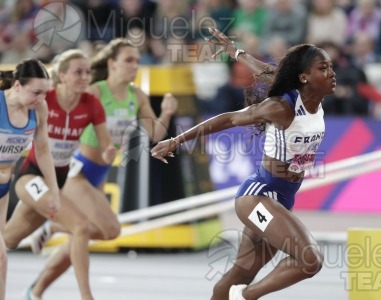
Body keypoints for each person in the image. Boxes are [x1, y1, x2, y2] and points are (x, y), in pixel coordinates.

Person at [152, 28, 335, 299]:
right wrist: (176, 140)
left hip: (282, 199)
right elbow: (229, 119)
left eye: (331, 66)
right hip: (258, 198)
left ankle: (237, 292)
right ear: (305, 77)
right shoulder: (281, 107)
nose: (331, 73)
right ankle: (247, 296)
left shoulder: (312, 98)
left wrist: (235, 52)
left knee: (240, 273)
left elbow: (266, 71)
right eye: (323, 68)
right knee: (310, 259)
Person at [28, 38, 178, 298]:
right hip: (78, 171)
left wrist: (166, 113)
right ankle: (86, 295)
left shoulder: (136, 95)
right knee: (100, 229)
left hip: (98, 175)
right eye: (128, 60)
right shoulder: (96, 92)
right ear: (112, 63)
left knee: (94, 232)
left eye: (137, 61)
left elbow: (155, 133)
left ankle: (36, 288)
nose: (134, 66)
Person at [3, 50, 115, 300]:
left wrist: (108, 152)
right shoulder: (43, 98)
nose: (85, 77)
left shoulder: (91, 104)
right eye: (78, 72)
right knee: (80, 227)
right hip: (30, 175)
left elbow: (106, 142)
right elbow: (37, 146)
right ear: (61, 76)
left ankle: (32, 290)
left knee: (8, 240)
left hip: (59, 177)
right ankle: (87, 297)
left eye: (88, 72)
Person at [0, 59, 58, 300]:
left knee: (1, 257)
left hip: (3, 187)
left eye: (45, 93)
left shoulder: (39, 110)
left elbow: (43, 150)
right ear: (17, 85)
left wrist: (53, 189)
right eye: (36, 92)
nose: (41, 99)